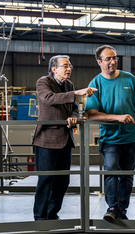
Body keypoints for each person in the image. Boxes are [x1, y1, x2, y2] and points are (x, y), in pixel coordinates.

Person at [84, 45, 135, 221]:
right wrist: (117, 117)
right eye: (108, 59)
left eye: (114, 58)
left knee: (126, 175)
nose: (113, 62)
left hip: (131, 137)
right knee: (111, 171)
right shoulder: (95, 84)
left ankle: (122, 210)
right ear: (99, 62)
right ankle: (112, 208)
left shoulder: (130, 79)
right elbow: (92, 114)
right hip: (110, 139)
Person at [32, 55, 97, 221]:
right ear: (54, 68)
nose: (69, 69)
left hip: (65, 139)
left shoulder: (68, 84)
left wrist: (73, 116)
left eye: (70, 66)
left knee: (62, 181)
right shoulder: (43, 82)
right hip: (46, 140)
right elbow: (47, 99)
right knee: (46, 180)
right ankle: (40, 216)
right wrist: (75, 93)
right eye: (65, 66)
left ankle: (52, 213)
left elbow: (74, 107)